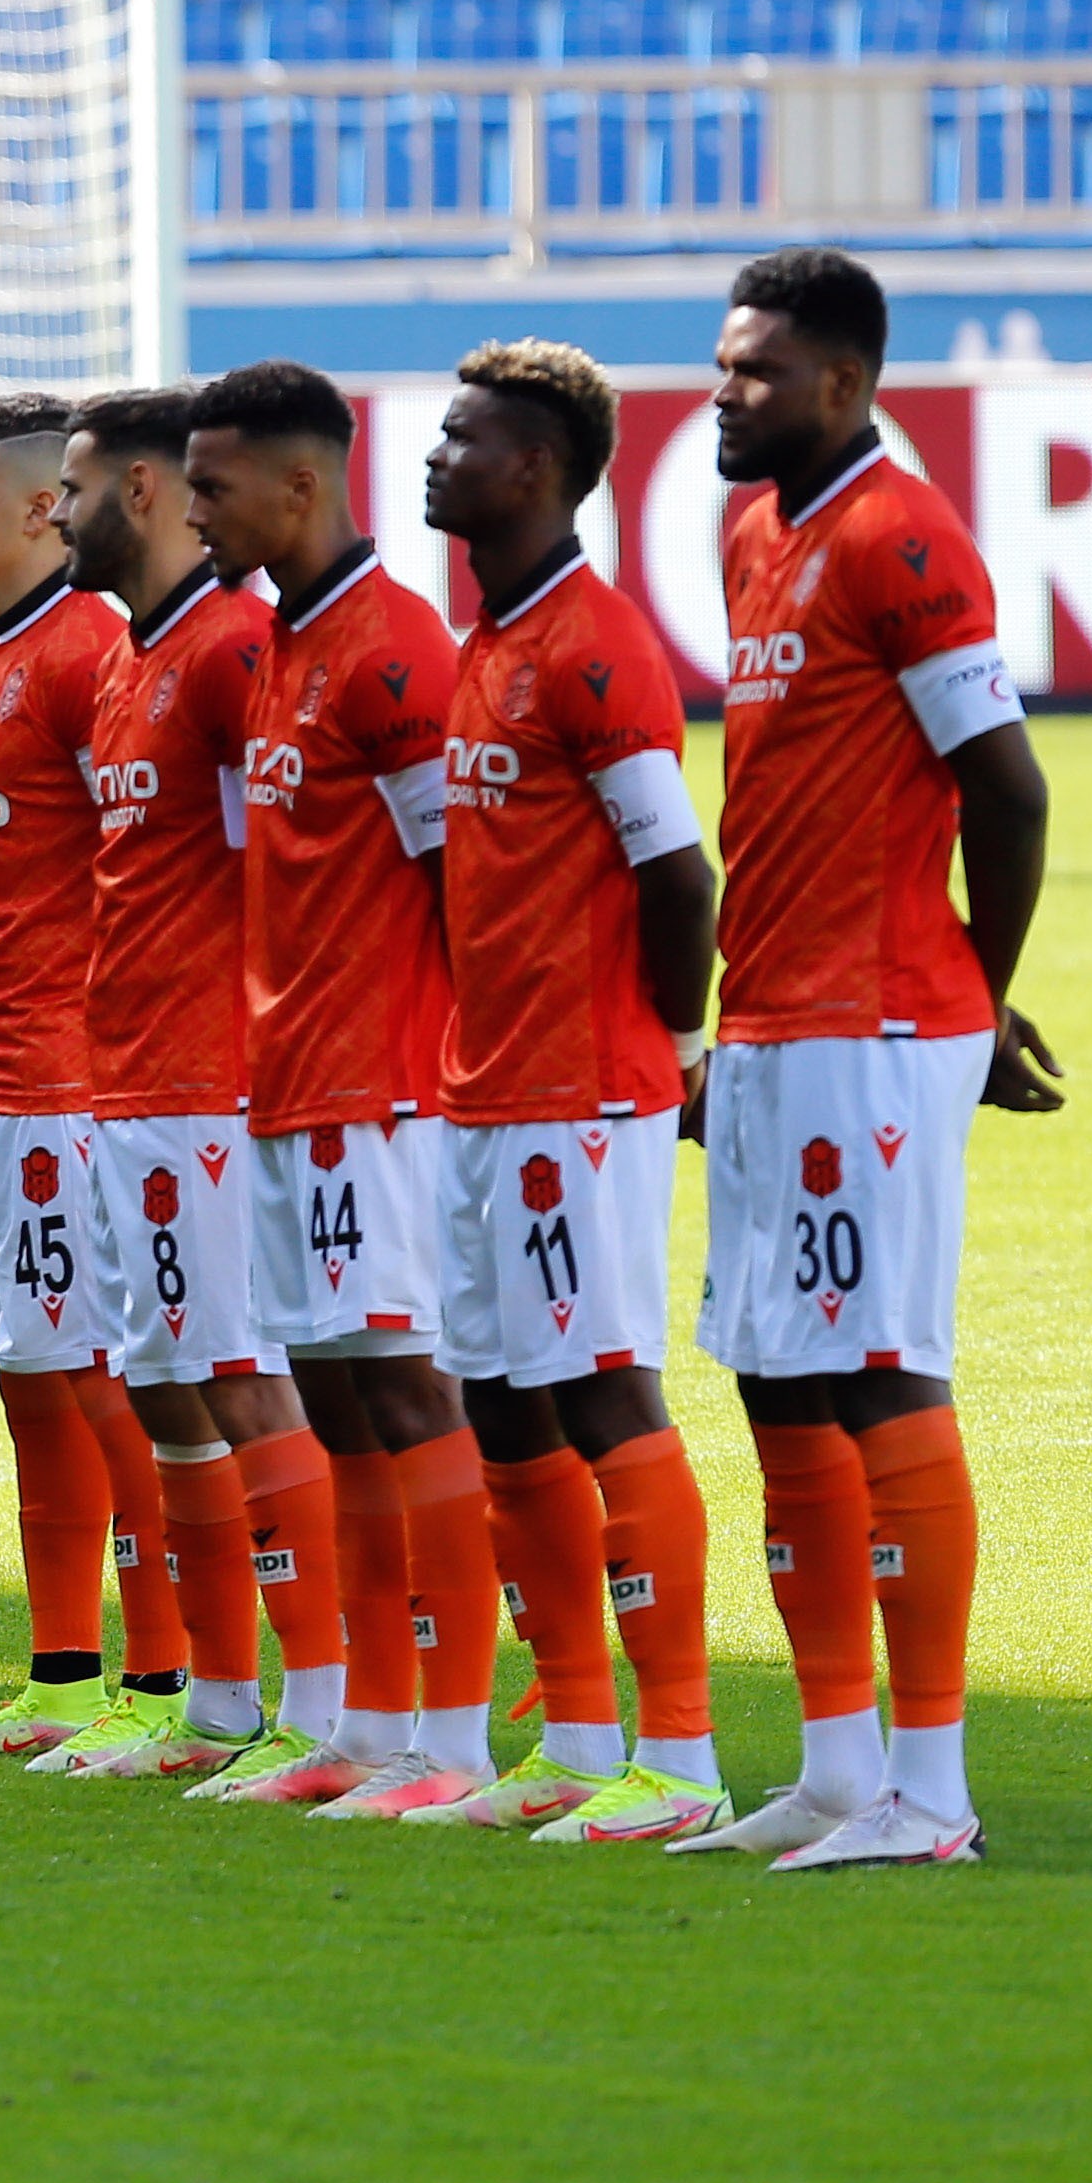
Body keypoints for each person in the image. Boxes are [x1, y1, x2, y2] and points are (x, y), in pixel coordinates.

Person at [682, 252, 1056, 1872]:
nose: (722, 393)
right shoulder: (753, 531)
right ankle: (836, 1765)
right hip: (771, 1018)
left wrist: (978, 993)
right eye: (720, 363)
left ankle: (932, 1787)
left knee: (879, 1367)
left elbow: (1007, 785)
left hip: (877, 1021)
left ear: (840, 384)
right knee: (775, 1371)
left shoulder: (902, 538)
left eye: (754, 371)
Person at [400, 339, 732, 1841]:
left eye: (459, 437)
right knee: (500, 1404)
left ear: (532, 466)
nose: (433, 456)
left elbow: (676, 872)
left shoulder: (596, 648)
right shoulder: (489, 641)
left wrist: (672, 1046)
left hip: (578, 1093)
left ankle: (681, 1758)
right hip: (481, 1090)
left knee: (600, 1388)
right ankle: (579, 1740)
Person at [180, 360, 512, 1813]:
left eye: (212, 486)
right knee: (336, 1408)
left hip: (383, 1092)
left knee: (407, 1392)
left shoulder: (392, 653)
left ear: (297, 484)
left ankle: (456, 1736)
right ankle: (369, 1726)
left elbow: (461, 883)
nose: (195, 513)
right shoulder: (277, 648)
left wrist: (447, 1075)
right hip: (287, 1087)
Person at [36, 388, 336, 1780]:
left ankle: (323, 1704)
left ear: (143, 492)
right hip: (124, 1079)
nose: (57, 510)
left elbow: (281, 863)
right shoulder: (127, 656)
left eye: (74, 486)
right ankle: (218, 1703)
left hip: (211, 1082)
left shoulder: (229, 650)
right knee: (164, 1385)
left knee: (242, 1381)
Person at [0, 395, 187, 1757]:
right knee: (32, 1378)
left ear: (38, 508)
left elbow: (149, 868)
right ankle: (62, 1677)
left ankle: (165, 1685)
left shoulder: (85, 655)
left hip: (67, 1084)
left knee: (102, 1385)